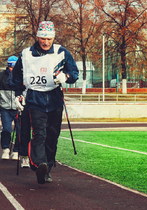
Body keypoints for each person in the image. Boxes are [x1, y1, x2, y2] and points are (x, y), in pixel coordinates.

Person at [12, 21, 79, 184]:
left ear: (53, 37)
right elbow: (16, 77)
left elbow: (74, 72)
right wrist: (18, 95)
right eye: (43, 38)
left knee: (52, 136)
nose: (46, 42)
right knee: (39, 134)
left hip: (55, 99)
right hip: (35, 99)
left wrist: (67, 77)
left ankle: (47, 167)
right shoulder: (26, 54)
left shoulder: (61, 52)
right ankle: (39, 163)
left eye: (49, 38)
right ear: (37, 37)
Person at [0, 56, 20, 160]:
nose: (13, 69)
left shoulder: (22, 76)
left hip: (19, 108)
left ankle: (16, 151)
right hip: (5, 108)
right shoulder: (1, 76)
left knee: (20, 130)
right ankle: (6, 149)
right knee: (6, 129)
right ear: (8, 66)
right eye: (11, 67)